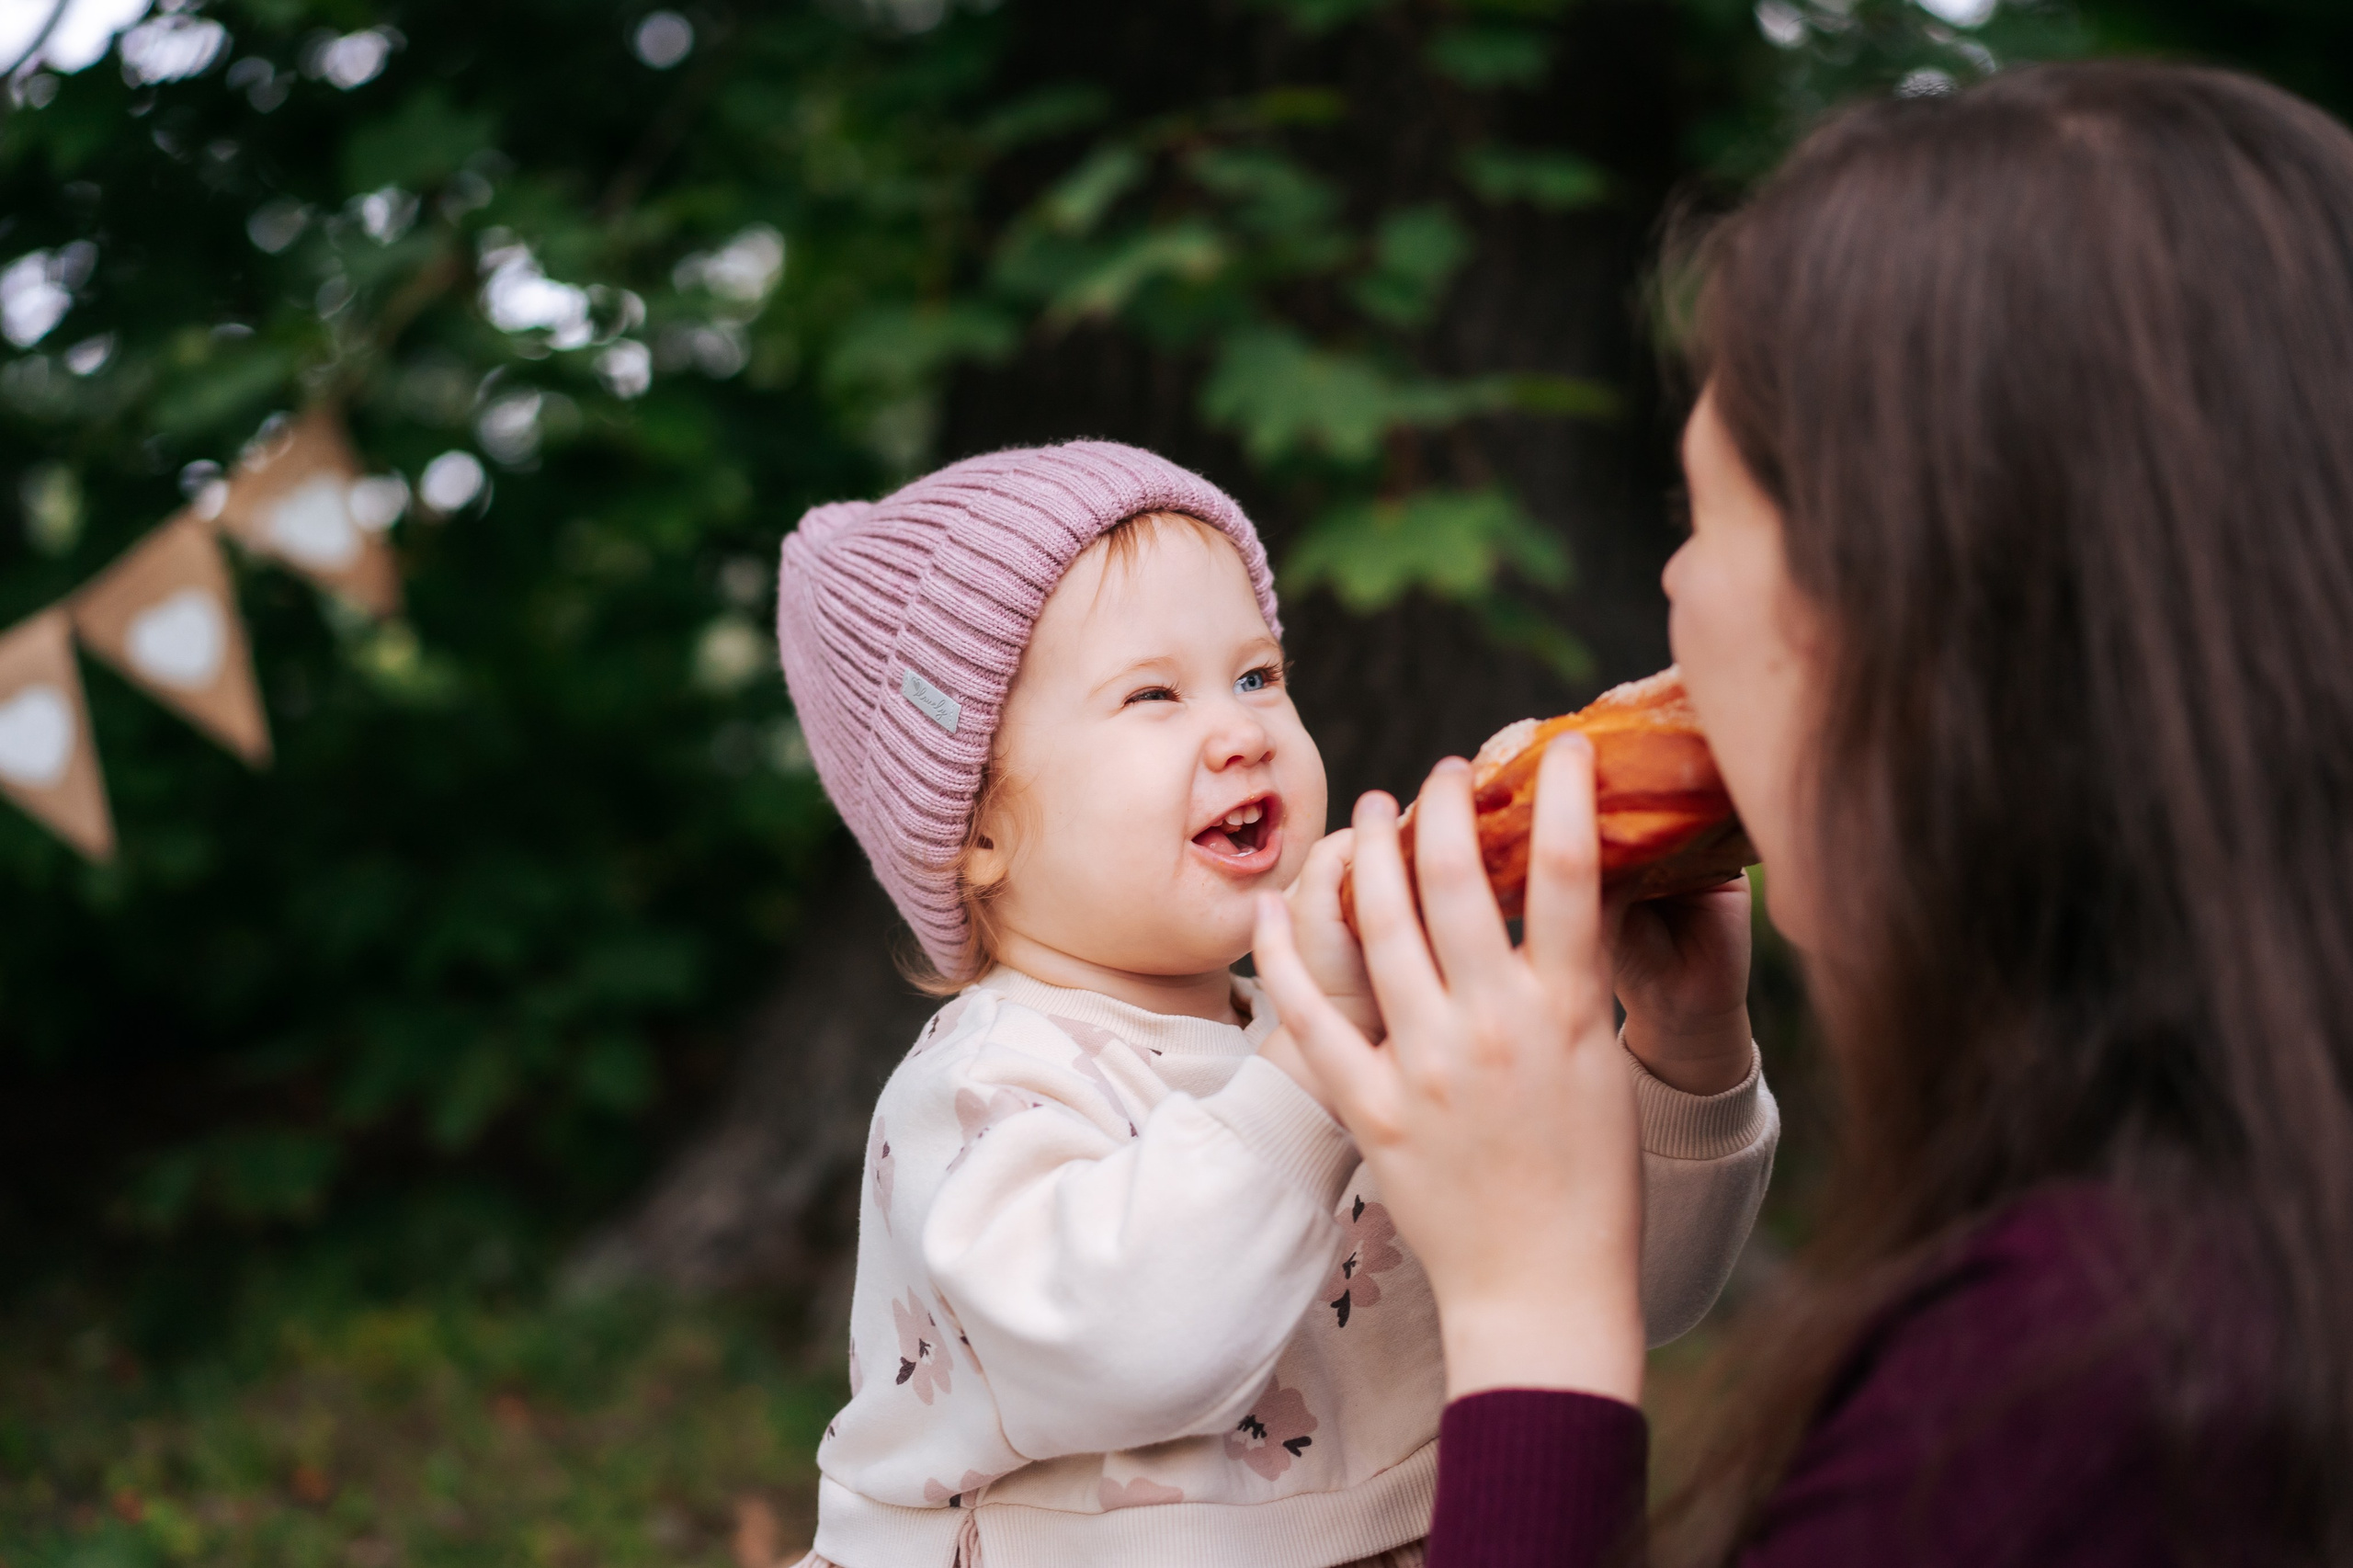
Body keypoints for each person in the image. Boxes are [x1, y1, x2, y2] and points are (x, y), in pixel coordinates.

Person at [1254, 61, 2353, 1568]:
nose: (1675, 593)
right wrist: (1686, 1074)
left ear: (1918, 601)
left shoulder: (2073, 1400)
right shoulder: (2230, 1252)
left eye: (1702, 519)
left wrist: (1533, 1317)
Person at [770, 442, 1781, 1568]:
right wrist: (1310, 1063)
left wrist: (1687, 1048)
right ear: (978, 833)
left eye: (1257, 675)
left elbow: (1612, 1294)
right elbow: (1139, 1345)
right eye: (1152, 694)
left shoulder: (1333, 1024)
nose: (1241, 729)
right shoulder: (984, 1084)